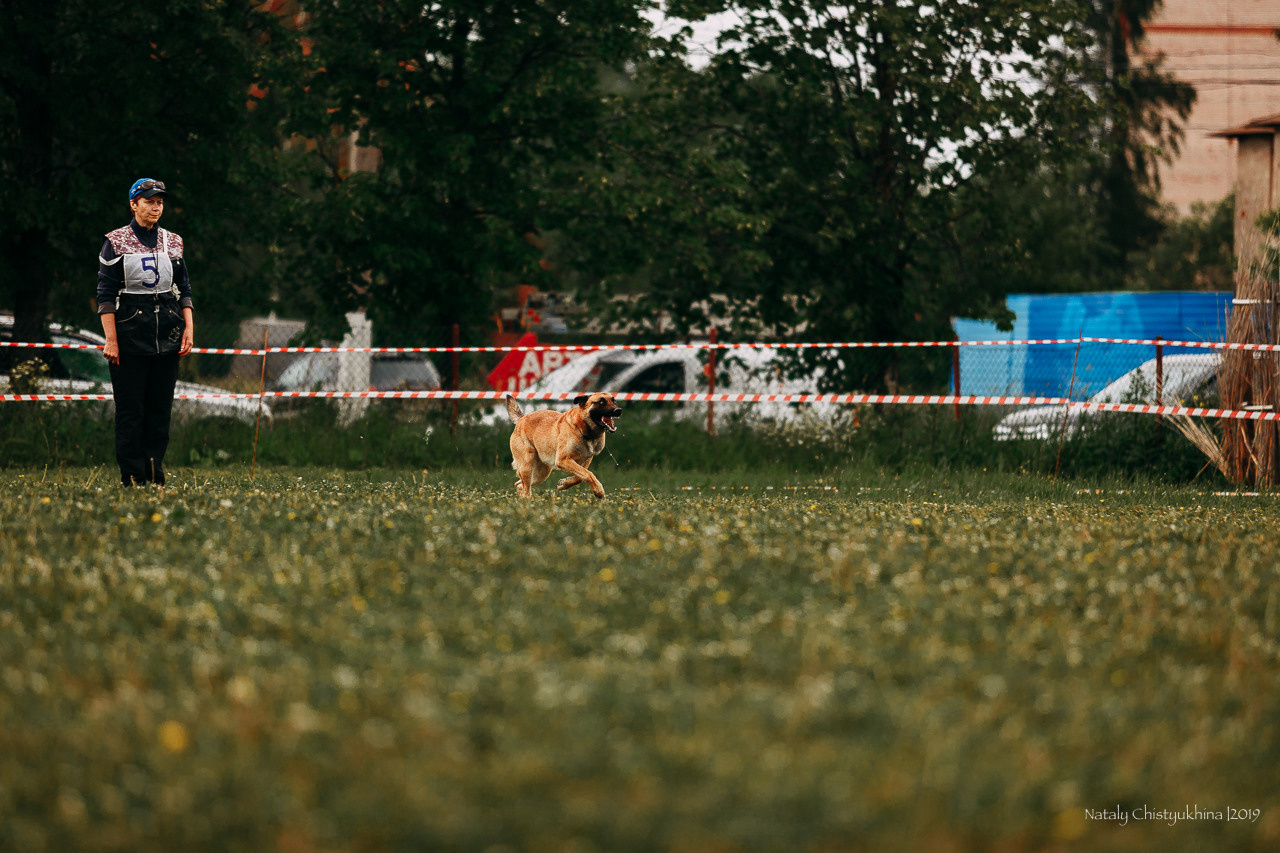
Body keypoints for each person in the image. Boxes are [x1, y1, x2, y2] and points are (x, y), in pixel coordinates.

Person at [97, 178, 194, 487]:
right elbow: (105, 295)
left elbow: (184, 289)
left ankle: (154, 473)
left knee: (159, 412)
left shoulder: (174, 242)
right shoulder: (115, 241)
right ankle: (133, 475)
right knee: (131, 412)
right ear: (134, 204)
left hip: (167, 337)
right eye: (150, 201)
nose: (156, 206)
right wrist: (111, 340)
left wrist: (188, 327)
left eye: (160, 202)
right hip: (129, 340)